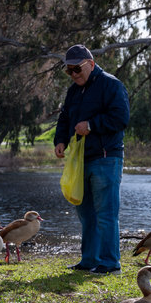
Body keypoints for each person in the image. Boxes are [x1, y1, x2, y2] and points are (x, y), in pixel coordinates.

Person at [54, 44, 130, 274]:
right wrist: (60, 141)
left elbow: (121, 118)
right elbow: (65, 117)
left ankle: (110, 263)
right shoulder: (73, 91)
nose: (74, 75)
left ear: (91, 64)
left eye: (77, 69)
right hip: (81, 161)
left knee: (106, 214)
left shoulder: (111, 85)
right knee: (86, 213)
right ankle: (89, 261)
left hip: (106, 158)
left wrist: (91, 125)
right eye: (69, 71)